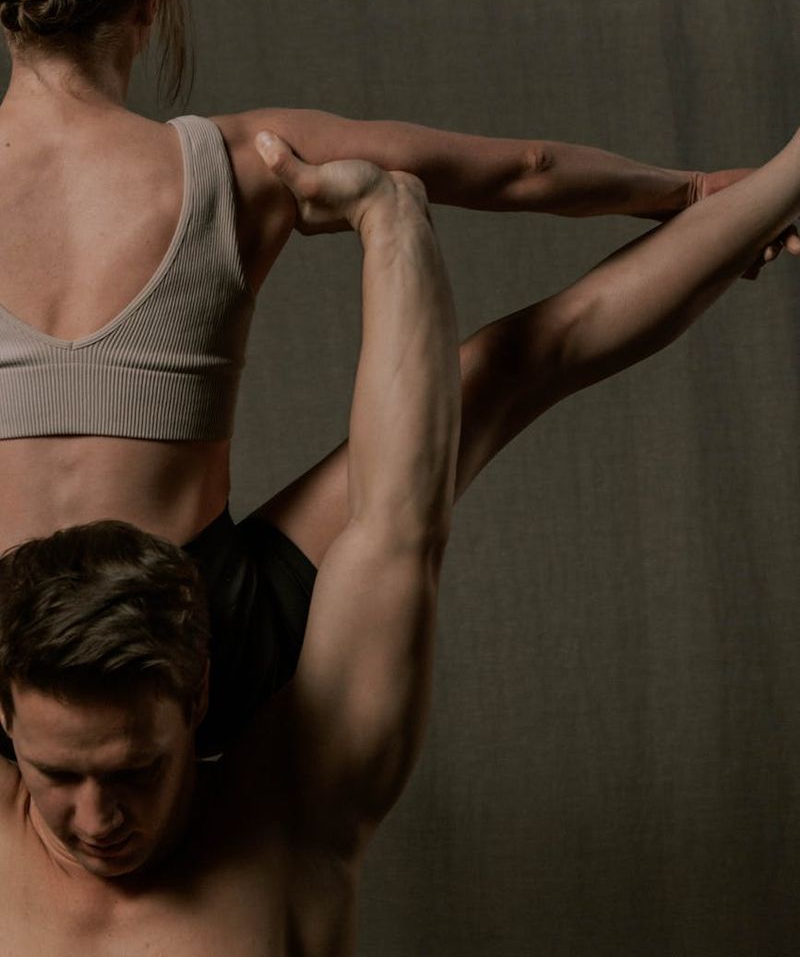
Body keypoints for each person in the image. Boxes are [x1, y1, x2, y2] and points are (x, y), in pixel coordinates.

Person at [0, 128, 799, 954]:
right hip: (63, 617)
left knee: (486, 391)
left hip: (165, 622)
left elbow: (403, 515)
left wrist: (391, 223)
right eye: (58, 775)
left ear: (201, 704)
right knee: (503, 373)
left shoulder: (293, 825)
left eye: (137, 771)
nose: (97, 822)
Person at [0, 0, 793, 752]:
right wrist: (690, 195)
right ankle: (782, 182)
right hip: (207, 632)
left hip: (18, 672)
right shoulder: (245, 159)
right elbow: (527, 170)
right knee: (513, 363)